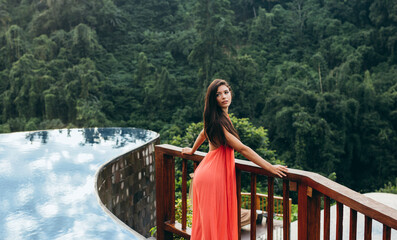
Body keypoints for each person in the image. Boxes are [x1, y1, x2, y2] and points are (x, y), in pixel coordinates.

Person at [182, 79, 288, 239]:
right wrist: (269, 167)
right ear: (213, 99)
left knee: (209, 225)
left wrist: (192, 150)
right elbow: (242, 148)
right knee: (214, 225)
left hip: (208, 174)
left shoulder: (218, 118)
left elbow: (202, 133)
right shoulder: (219, 122)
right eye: (218, 94)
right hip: (213, 178)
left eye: (226, 92)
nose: (224, 96)